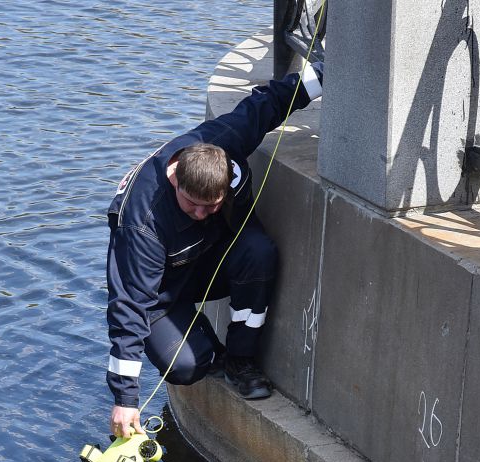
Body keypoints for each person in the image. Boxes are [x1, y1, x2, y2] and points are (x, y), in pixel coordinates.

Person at [105, 61, 324, 438]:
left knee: (258, 251)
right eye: (192, 206)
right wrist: (125, 400)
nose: (202, 213)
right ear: (176, 181)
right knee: (185, 366)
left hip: (210, 256)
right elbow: (129, 308)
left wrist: (327, 70)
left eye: (213, 206)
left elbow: (271, 101)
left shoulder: (224, 140)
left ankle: (241, 360)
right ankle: (203, 342)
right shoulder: (142, 222)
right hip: (161, 289)